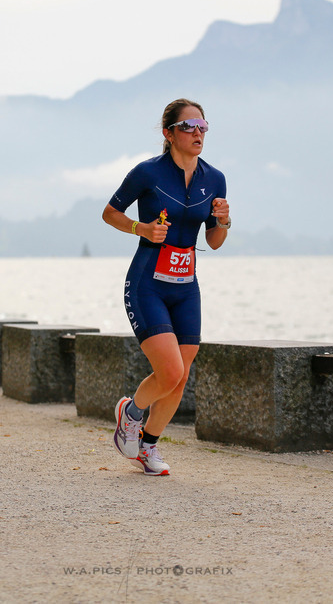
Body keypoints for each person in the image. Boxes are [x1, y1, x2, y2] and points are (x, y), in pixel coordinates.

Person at [102, 98, 231, 475]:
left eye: (202, 126)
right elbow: (110, 212)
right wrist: (139, 228)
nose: (197, 133)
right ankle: (131, 412)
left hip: (186, 285)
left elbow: (216, 241)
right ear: (168, 133)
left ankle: (148, 447)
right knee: (170, 372)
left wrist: (224, 220)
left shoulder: (215, 178)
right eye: (188, 126)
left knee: (181, 376)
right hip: (148, 283)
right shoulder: (148, 172)